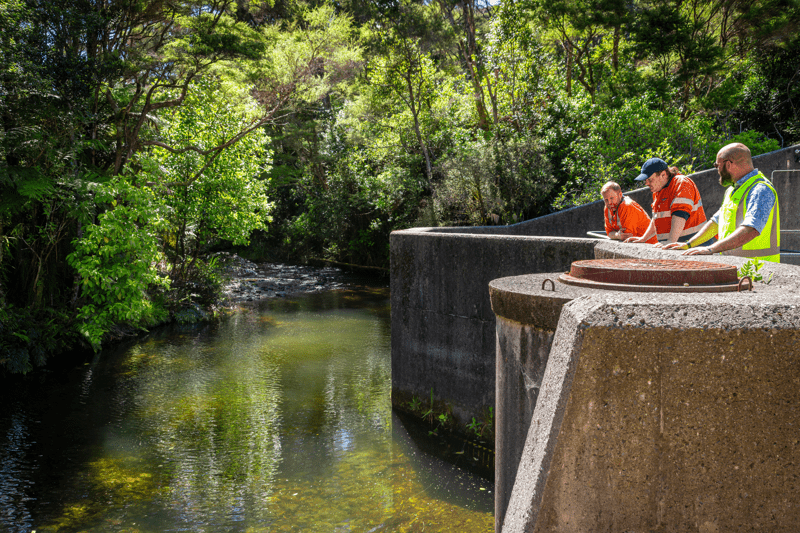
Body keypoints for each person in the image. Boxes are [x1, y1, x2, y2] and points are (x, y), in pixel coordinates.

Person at [663, 143, 780, 262]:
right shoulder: (733, 189)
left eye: (717, 165)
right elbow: (716, 223)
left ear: (728, 164)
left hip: (758, 271)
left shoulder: (760, 189)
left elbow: (751, 229)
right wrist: (688, 244)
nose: (717, 170)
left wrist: (711, 249)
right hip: (736, 266)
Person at [624, 158, 706, 247]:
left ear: (663, 174)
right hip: (679, 244)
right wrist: (644, 238)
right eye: (646, 180)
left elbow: (680, 213)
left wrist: (671, 241)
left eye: (650, 179)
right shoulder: (658, 190)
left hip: (695, 243)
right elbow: (656, 218)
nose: (646, 183)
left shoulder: (681, 183)